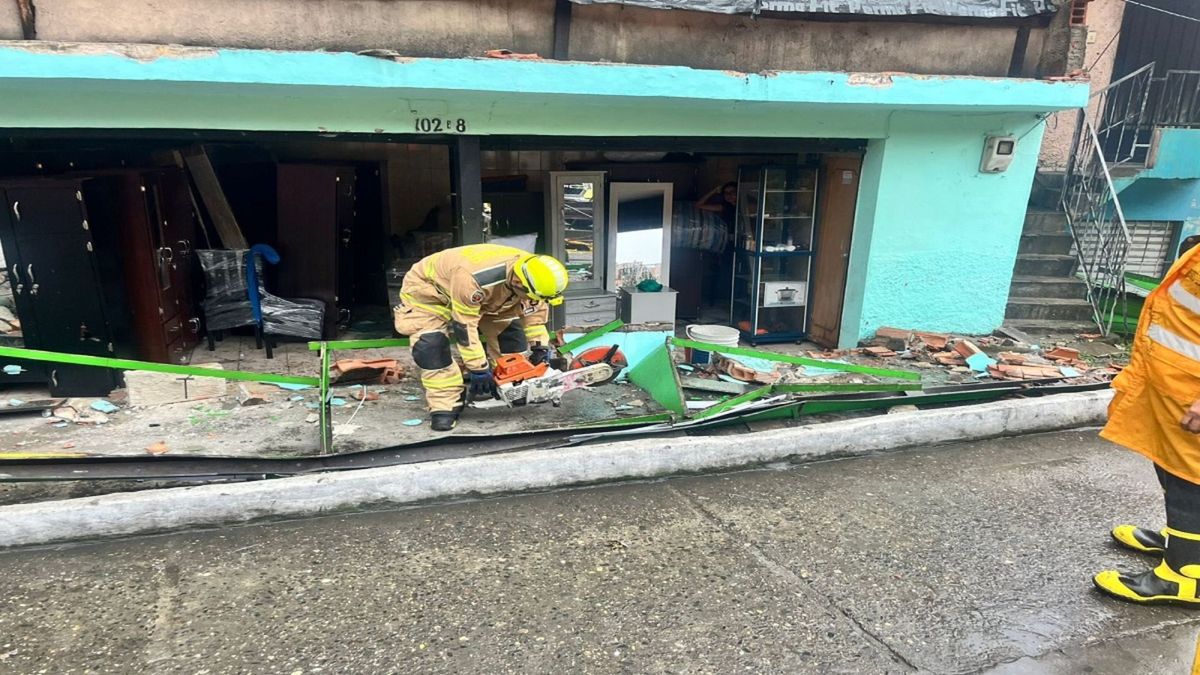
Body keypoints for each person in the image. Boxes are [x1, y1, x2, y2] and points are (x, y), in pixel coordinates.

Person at [1094, 236, 1200, 606]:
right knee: (1172, 466)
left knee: (1192, 479)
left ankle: (1184, 577)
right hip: (1174, 384)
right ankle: (1182, 542)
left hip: (1192, 393)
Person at [393, 244, 568, 432]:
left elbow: (534, 314)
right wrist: (478, 368)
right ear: (518, 282)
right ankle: (445, 403)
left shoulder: (536, 276)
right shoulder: (473, 279)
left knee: (511, 340)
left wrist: (540, 347)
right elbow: (465, 327)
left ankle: (509, 387)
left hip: (496, 296)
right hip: (431, 292)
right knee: (431, 347)